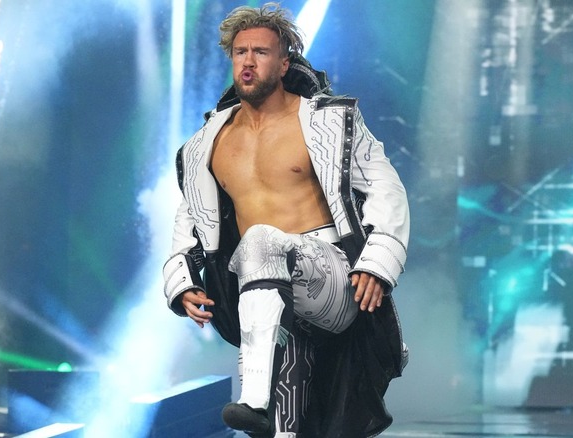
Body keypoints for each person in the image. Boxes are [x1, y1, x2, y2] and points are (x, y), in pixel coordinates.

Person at [162, 3, 410, 437]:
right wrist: (181, 282)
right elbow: (191, 216)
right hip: (261, 287)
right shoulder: (206, 144)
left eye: (260, 51)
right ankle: (273, 421)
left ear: (283, 63)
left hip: (333, 276)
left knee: (260, 240)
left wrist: (377, 262)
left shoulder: (328, 122)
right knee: (289, 412)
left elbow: (386, 187)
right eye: (240, 52)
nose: (248, 61)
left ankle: (252, 400)